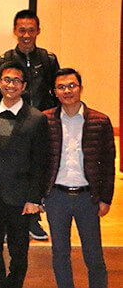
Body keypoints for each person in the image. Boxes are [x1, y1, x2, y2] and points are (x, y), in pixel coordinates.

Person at [42, 68, 115, 288]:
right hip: (56, 197)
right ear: (55, 92)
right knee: (60, 254)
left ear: (80, 88)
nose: (67, 91)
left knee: (94, 256)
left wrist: (106, 198)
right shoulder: (45, 120)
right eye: (61, 87)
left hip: (87, 197)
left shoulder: (100, 121)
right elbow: (39, 160)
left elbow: (108, 163)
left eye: (72, 86)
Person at [0, 61, 48, 288]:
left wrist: (34, 198)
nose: (11, 85)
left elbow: (40, 162)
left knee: (19, 254)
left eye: (16, 81)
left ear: (24, 86)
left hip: (20, 199)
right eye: (7, 80)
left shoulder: (36, 118)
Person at [0, 9, 58, 241]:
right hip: (11, 120)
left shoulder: (48, 59)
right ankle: (6, 220)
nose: (26, 35)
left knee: (37, 166)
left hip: (39, 123)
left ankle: (33, 218)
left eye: (31, 30)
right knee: (11, 166)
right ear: (15, 31)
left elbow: (54, 91)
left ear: (38, 31)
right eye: (22, 30)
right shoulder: (5, 59)